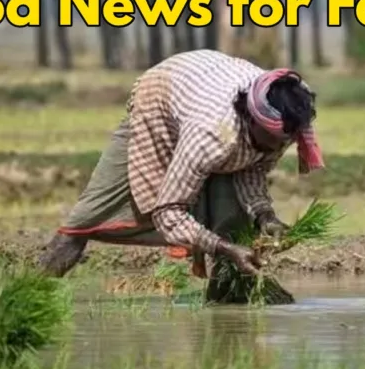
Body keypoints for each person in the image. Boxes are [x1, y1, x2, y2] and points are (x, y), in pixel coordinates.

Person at [37, 49, 324, 280]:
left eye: (284, 141)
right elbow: (169, 213)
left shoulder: (289, 110)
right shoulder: (211, 134)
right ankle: (33, 291)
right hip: (160, 98)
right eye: (272, 140)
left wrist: (265, 216)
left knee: (236, 221)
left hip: (205, 83)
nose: (277, 147)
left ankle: (229, 308)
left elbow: (253, 166)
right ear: (250, 119)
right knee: (86, 219)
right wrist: (224, 249)